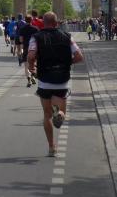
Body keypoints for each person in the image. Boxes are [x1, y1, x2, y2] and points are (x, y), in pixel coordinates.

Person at [27, 11, 84, 157]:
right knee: (61, 110)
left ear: (43, 23)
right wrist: (67, 63)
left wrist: (32, 67)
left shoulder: (36, 37)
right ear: (56, 22)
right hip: (62, 80)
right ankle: (60, 114)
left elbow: (31, 55)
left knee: (47, 115)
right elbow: (79, 56)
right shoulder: (67, 36)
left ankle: (51, 147)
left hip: (45, 80)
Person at [18, 14, 39, 87]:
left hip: (26, 48)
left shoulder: (22, 29)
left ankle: (29, 79)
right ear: (31, 20)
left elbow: (21, 40)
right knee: (33, 64)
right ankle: (33, 76)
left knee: (26, 65)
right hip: (33, 49)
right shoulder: (35, 29)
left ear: (25, 20)